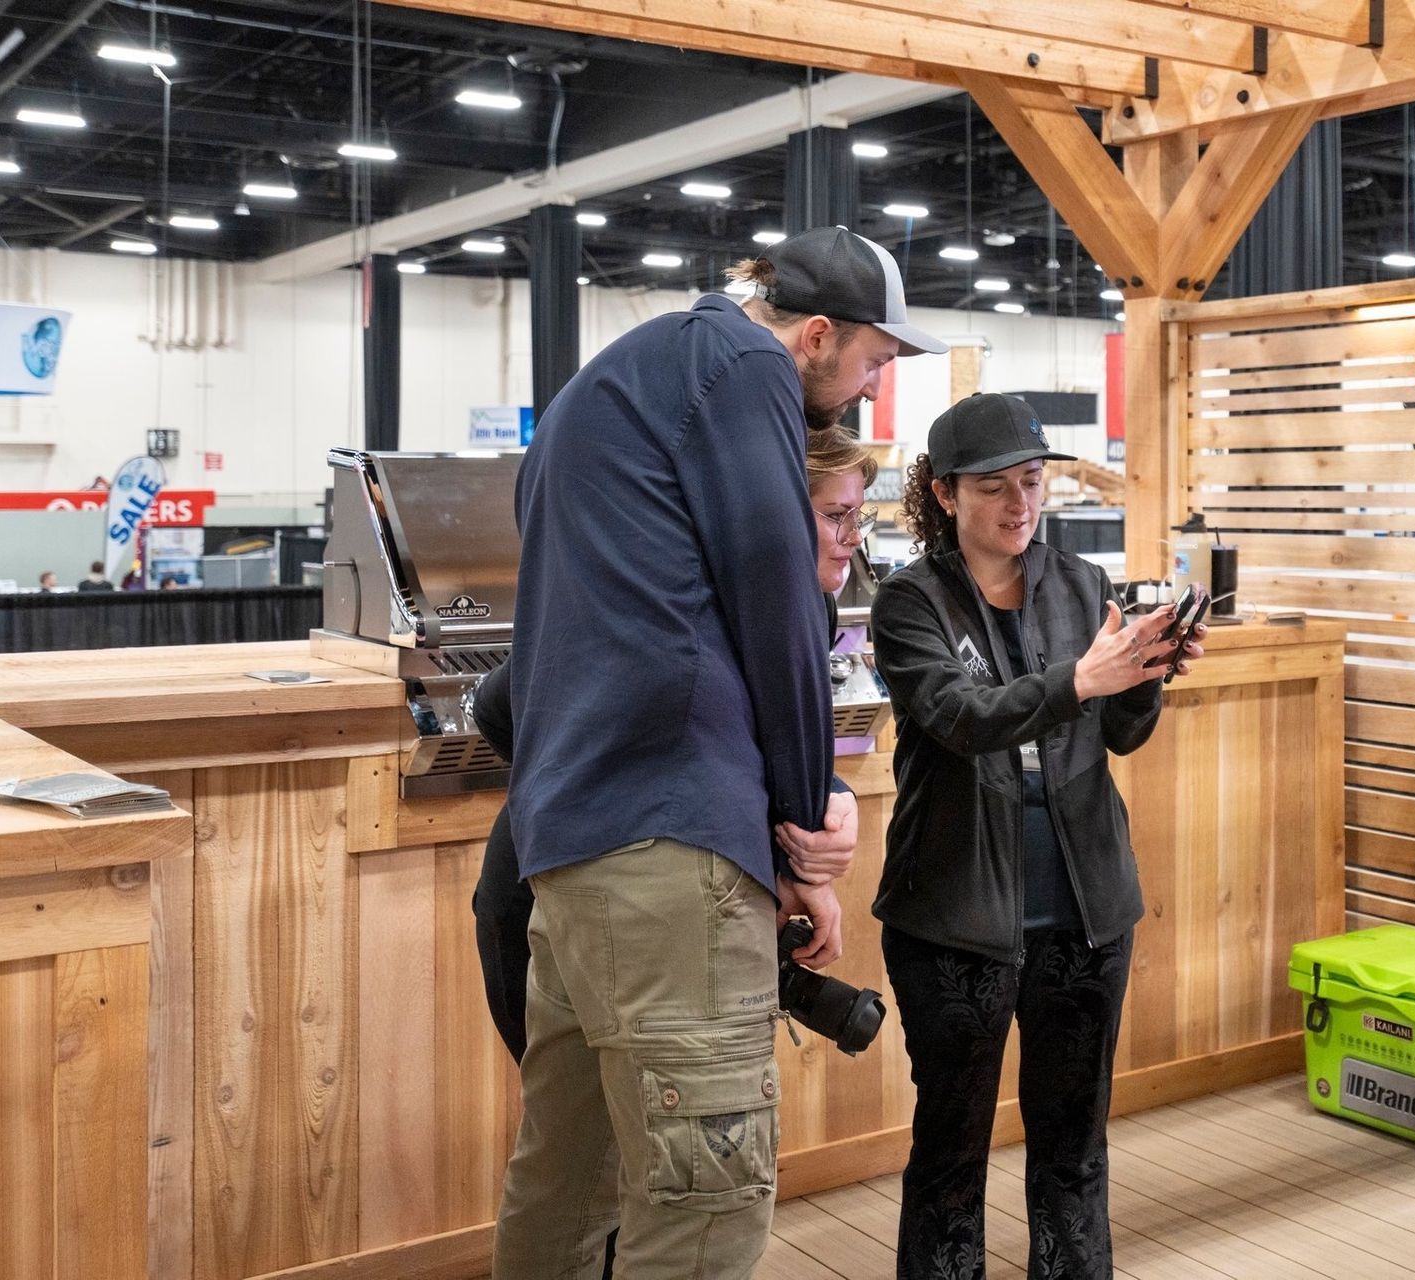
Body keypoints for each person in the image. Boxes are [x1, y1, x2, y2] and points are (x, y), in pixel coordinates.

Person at [494, 226, 942, 1280]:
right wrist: (804, 815)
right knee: (704, 1206)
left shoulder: (616, 381)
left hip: (571, 852)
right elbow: (774, 585)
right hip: (670, 850)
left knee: (567, 1181)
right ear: (817, 334)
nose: (872, 388)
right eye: (874, 359)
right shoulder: (746, 363)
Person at [869, 393, 1206, 1280]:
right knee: (951, 1155)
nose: (1020, 505)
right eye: (994, 488)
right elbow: (960, 716)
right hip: (954, 917)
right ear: (945, 496)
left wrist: (1145, 674)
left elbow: (1120, 733)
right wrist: (1084, 678)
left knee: (1074, 1146)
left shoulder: (1080, 584)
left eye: (1032, 480)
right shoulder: (911, 603)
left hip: (1084, 912)